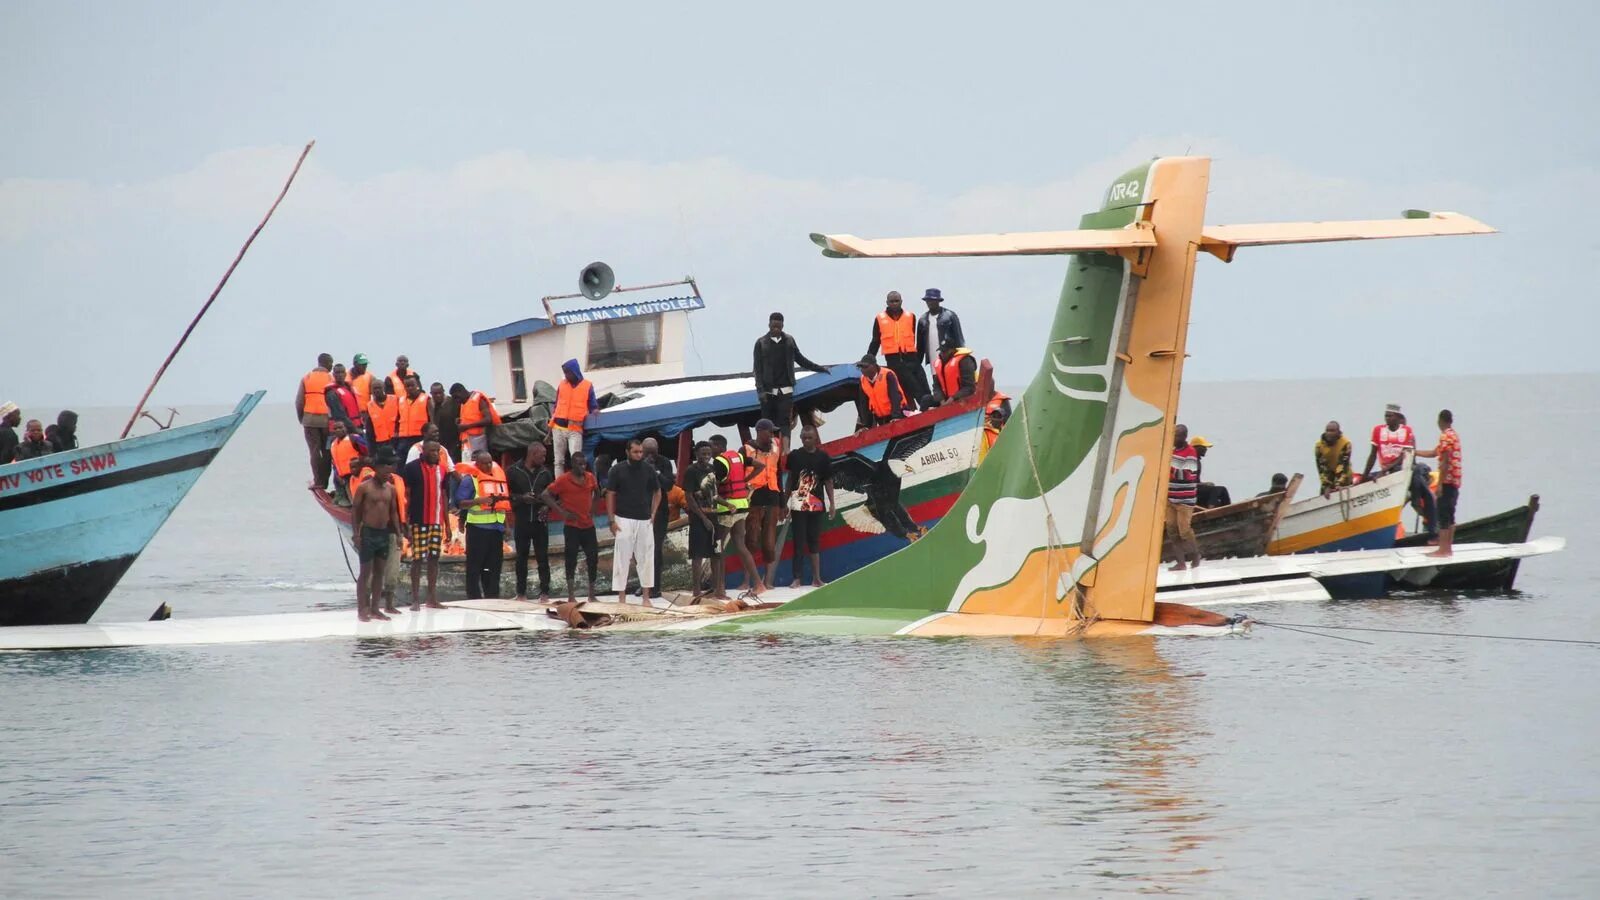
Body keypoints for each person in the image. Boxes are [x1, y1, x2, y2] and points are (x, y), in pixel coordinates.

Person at [1362, 402, 1435, 534]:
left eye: (1390, 416)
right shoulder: (1378, 430)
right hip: (1388, 470)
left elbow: (1406, 455)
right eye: (1386, 416)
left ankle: (1421, 507)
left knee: (1417, 475)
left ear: (1397, 417)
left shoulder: (1407, 431)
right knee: (1364, 481)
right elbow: (1372, 455)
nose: (1387, 418)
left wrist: (1386, 469)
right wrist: (1364, 476)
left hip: (1402, 469)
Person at [752, 312, 829, 435]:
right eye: (773, 326)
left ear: (783, 325)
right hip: (768, 390)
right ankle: (770, 449)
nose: (776, 329)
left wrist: (819, 368)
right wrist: (760, 390)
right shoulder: (761, 343)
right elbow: (757, 369)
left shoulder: (789, 341)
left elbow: (801, 359)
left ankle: (785, 449)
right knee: (768, 422)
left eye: (779, 326)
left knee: (785, 422)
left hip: (786, 389)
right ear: (769, 325)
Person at [606, 439, 661, 604]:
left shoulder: (648, 469)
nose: (639, 455)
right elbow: (610, 494)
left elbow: (657, 492)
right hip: (623, 518)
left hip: (644, 520)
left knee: (646, 558)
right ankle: (621, 598)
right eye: (636, 452)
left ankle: (646, 597)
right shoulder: (617, 470)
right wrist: (611, 520)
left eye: (640, 452)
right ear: (627, 452)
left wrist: (653, 513)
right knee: (622, 558)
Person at [401, 438, 453, 610]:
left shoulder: (443, 470)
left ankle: (432, 598)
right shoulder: (411, 468)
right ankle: (416, 599)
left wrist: (446, 523)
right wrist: (406, 522)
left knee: (434, 558)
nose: (435, 454)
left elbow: (444, 497)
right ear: (423, 452)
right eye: (432, 451)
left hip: (436, 520)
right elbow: (406, 496)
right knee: (417, 559)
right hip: (418, 520)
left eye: (437, 451)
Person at [351, 447, 402, 621]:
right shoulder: (364, 488)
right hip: (368, 533)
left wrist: (399, 534)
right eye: (387, 466)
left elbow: (394, 512)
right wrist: (356, 534)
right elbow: (355, 511)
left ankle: (375, 608)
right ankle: (361, 609)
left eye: (392, 467)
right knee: (366, 571)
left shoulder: (391, 489)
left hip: (383, 533)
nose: (390, 470)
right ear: (377, 467)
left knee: (380, 571)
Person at [710, 433, 765, 596]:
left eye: (711, 446)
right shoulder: (738, 456)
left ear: (719, 447)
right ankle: (759, 584)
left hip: (728, 509)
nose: (709, 449)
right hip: (742, 506)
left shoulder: (719, 462)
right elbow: (760, 466)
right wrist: (745, 481)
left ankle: (720, 589)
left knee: (718, 549)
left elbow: (714, 486)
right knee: (740, 545)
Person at [542, 450, 601, 602]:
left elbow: (597, 492)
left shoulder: (590, 477)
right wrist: (561, 512)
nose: (583, 467)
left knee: (593, 558)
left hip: (588, 525)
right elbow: (545, 495)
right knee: (571, 559)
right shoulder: (563, 480)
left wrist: (593, 509)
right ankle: (571, 596)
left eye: (584, 464)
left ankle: (592, 595)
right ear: (572, 465)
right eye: (579, 464)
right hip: (572, 526)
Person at [454, 448, 510, 599]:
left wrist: (506, 526)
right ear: (477, 464)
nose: (489, 465)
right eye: (484, 463)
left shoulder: (498, 478)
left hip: (496, 530)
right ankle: (474, 598)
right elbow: (460, 503)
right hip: (478, 529)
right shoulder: (470, 479)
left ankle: (492, 596)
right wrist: (478, 501)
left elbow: (502, 504)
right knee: (474, 566)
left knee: (494, 567)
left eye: (490, 462)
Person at [784, 426, 834, 588]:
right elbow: (790, 480)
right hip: (798, 504)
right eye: (804, 438)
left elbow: (828, 481)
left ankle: (816, 578)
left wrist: (832, 503)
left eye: (809, 438)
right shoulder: (795, 456)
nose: (806, 440)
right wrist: (785, 503)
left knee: (814, 541)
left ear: (815, 438)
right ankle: (796, 578)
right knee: (798, 542)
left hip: (817, 504)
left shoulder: (823, 457)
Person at [507, 442, 555, 602]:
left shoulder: (546, 473)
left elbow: (555, 496)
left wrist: (547, 508)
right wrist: (522, 498)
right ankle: (521, 593)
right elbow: (507, 495)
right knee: (521, 557)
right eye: (542, 455)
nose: (544, 458)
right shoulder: (513, 471)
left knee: (543, 558)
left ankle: (545, 593)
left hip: (540, 522)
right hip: (522, 520)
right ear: (533, 454)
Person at [867, 290, 930, 411]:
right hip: (894, 361)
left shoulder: (910, 316)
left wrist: (919, 359)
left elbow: (917, 339)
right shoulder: (880, 318)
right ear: (887, 302)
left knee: (923, 383)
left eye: (897, 301)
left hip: (912, 357)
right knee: (914, 387)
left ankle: (931, 408)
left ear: (901, 301)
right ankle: (923, 411)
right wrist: (869, 359)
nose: (894, 303)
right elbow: (875, 341)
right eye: (892, 301)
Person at [743, 419, 785, 589]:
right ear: (760, 432)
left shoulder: (776, 446)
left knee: (769, 541)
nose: (773, 435)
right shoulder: (746, 450)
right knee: (751, 539)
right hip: (754, 498)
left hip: (773, 497)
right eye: (770, 431)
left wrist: (783, 503)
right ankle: (747, 581)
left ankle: (768, 581)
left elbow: (779, 472)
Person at [1414, 409, 1463, 558]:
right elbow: (1435, 453)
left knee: (1443, 516)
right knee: (1450, 515)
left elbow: (1445, 462)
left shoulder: (1444, 437)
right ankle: (1448, 548)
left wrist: (1440, 484)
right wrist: (1415, 452)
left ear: (1440, 421)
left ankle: (1443, 550)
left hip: (1447, 481)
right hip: (1455, 480)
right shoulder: (1453, 435)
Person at [682, 441, 726, 603]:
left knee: (717, 553)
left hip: (714, 515)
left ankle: (717, 590)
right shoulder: (691, 471)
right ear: (696, 454)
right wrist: (703, 518)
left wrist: (727, 505)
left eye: (708, 453)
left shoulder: (712, 469)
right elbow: (689, 497)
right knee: (698, 554)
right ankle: (696, 591)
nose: (706, 456)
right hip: (699, 518)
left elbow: (714, 494)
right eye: (703, 453)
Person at [641, 437, 676, 600]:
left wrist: (656, 472)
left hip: (660, 511)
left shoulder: (664, 463)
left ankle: (656, 587)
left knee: (655, 549)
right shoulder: (636, 462)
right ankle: (644, 586)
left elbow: (668, 485)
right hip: (640, 511)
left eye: (653, 453)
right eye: (647, 453)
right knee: (640, 550)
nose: (650, 457)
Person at [550, 359, 597, 477]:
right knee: (558, 461)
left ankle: (577, 483)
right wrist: (550, 428)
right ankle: (559, 486)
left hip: (575, 429)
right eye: (565, 373)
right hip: (558, 427)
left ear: (575, 371)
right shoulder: (562, 384)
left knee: (577, 460)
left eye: (568, 372)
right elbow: (556, 406)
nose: (566, 375)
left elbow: (593, 405)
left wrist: (595, 412)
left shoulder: (587, 385)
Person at [295, 353, 335, 491]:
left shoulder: (307, 378)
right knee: (327, 451)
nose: (332, 366)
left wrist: (302, 418)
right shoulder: (331, 378)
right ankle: (324, 482)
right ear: (327, 363)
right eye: (331, 363)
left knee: (314, 450)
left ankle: (317, 481)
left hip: (310, 419)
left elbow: (299, 401)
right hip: (327, 420)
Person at [1165, 424, 1202, 571]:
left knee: (1184, 531)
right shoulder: (1171, 450)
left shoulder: (1190, 453)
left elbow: (1188, 475)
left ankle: (1195, 555)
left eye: (1177, 436)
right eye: (1173, 435)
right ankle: (1181, 562)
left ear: (1184, 437)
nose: (1174, 438)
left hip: (1185, 500)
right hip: (1171, 498)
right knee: (1172, 530)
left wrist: (1169, 470)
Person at [916, 288, 966, 389]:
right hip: (934, 358)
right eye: (928, 300)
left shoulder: (950, 316)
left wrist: (963, 357)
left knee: (953, 379)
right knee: (937, 381)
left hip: (950, 356)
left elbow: (959, 338)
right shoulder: (922, 320)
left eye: (933, 300)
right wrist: (917, 364)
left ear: (939, 301)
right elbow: (920, 346)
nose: (930, 303)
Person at [854, 355, 906, 432]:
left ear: (874, 366)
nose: (863, 370)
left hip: (899, 414)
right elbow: (863, 403)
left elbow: (895, 396)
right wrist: (866, 425)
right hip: (881, 418)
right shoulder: (863, 380)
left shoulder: (888, 375)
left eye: (865, 367)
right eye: (861, 367)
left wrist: (896, 417)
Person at [451, 382, 502, 458]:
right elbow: (470, 417)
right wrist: (460, 420)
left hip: (479, 439)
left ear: (462, 391)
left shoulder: (478, 399)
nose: (456, 400)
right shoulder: (464, 402)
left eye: (456, 397)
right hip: (467, 441)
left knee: (480, 463)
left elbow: (488, 419)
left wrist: (467, 426)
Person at [396, 376, 432, 463]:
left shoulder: (426, 399)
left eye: (412, 385)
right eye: (407, 386)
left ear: (417, 385)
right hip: (403, 439)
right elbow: (397, 419)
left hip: (419, 437)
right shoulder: (400, 400)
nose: (410, 388)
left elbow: (431, 419)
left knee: (418, 463)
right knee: (401, 464)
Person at [930, 340, 977, 407]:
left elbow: (969, 387)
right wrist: (941, 400)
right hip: (945, 400)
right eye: (941, 351)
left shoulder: (965, 361)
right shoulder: (940, 363)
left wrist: (953, 398)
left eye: (945, 351)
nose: (942, 354)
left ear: (952, 350)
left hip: (962, 398)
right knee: (926, 399)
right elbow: (936, 386)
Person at [328, 419, 363, 505]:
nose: (338, 430)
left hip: (358, 475)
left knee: (361, 499)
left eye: (340, 427)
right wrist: (337, 474)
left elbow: (367, 452)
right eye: (335, 429)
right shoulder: (333, 444)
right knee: (353, 502)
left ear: (346, 428)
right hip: (345, 478)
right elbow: (334, 463)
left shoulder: (354, 439)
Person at [1189, 436, 1230, 508]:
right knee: (1220, 489)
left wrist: (1204, 484)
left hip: (1195, 491)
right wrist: (1204, 484)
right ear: (1196, 447)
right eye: (1204, 447)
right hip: (1189, 491)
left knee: (1219, 494)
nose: (1206, 449)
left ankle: (1226, 510)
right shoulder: (1190, 461)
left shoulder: (1196, 461)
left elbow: (1196, 481)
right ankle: (1211, 509)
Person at [1314, 421, 1353, 497]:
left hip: (1344, 476)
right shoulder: (1319, 446)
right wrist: (1326, 486)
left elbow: (1343, 465)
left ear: (1338, 432)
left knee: (1342, 493)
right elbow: (1322, 468)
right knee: (1324, 496)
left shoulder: (1345, 444)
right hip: (1328, 475)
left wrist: (1338, 484)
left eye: (1332, 431)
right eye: (1327, 430)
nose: (1329, 433)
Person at [365, 379, 401, 455]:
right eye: (374, 388)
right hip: (381, 442)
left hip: (397, 439)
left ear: (384, 388)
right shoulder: (369, 406)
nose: (377, 390)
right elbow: (369, 429)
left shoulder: (395, 399)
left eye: (379, 388)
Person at [429, 382, 462, 463]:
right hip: (438, 440)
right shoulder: (430, 404)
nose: (438, 395)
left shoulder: (453, 402)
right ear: (431, 394)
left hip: (453, 440)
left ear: (443, 391)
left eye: (440, 393)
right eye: (435, 394)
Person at [325, 364, 362, 435]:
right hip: (341, 431)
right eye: (337, 373)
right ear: (333, 375)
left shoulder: (349, 388)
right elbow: (339, 415)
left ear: (345, 374)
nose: (340, 375)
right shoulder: (331, 393)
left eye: (342, 372)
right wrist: (355, 429)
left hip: (357, 426)